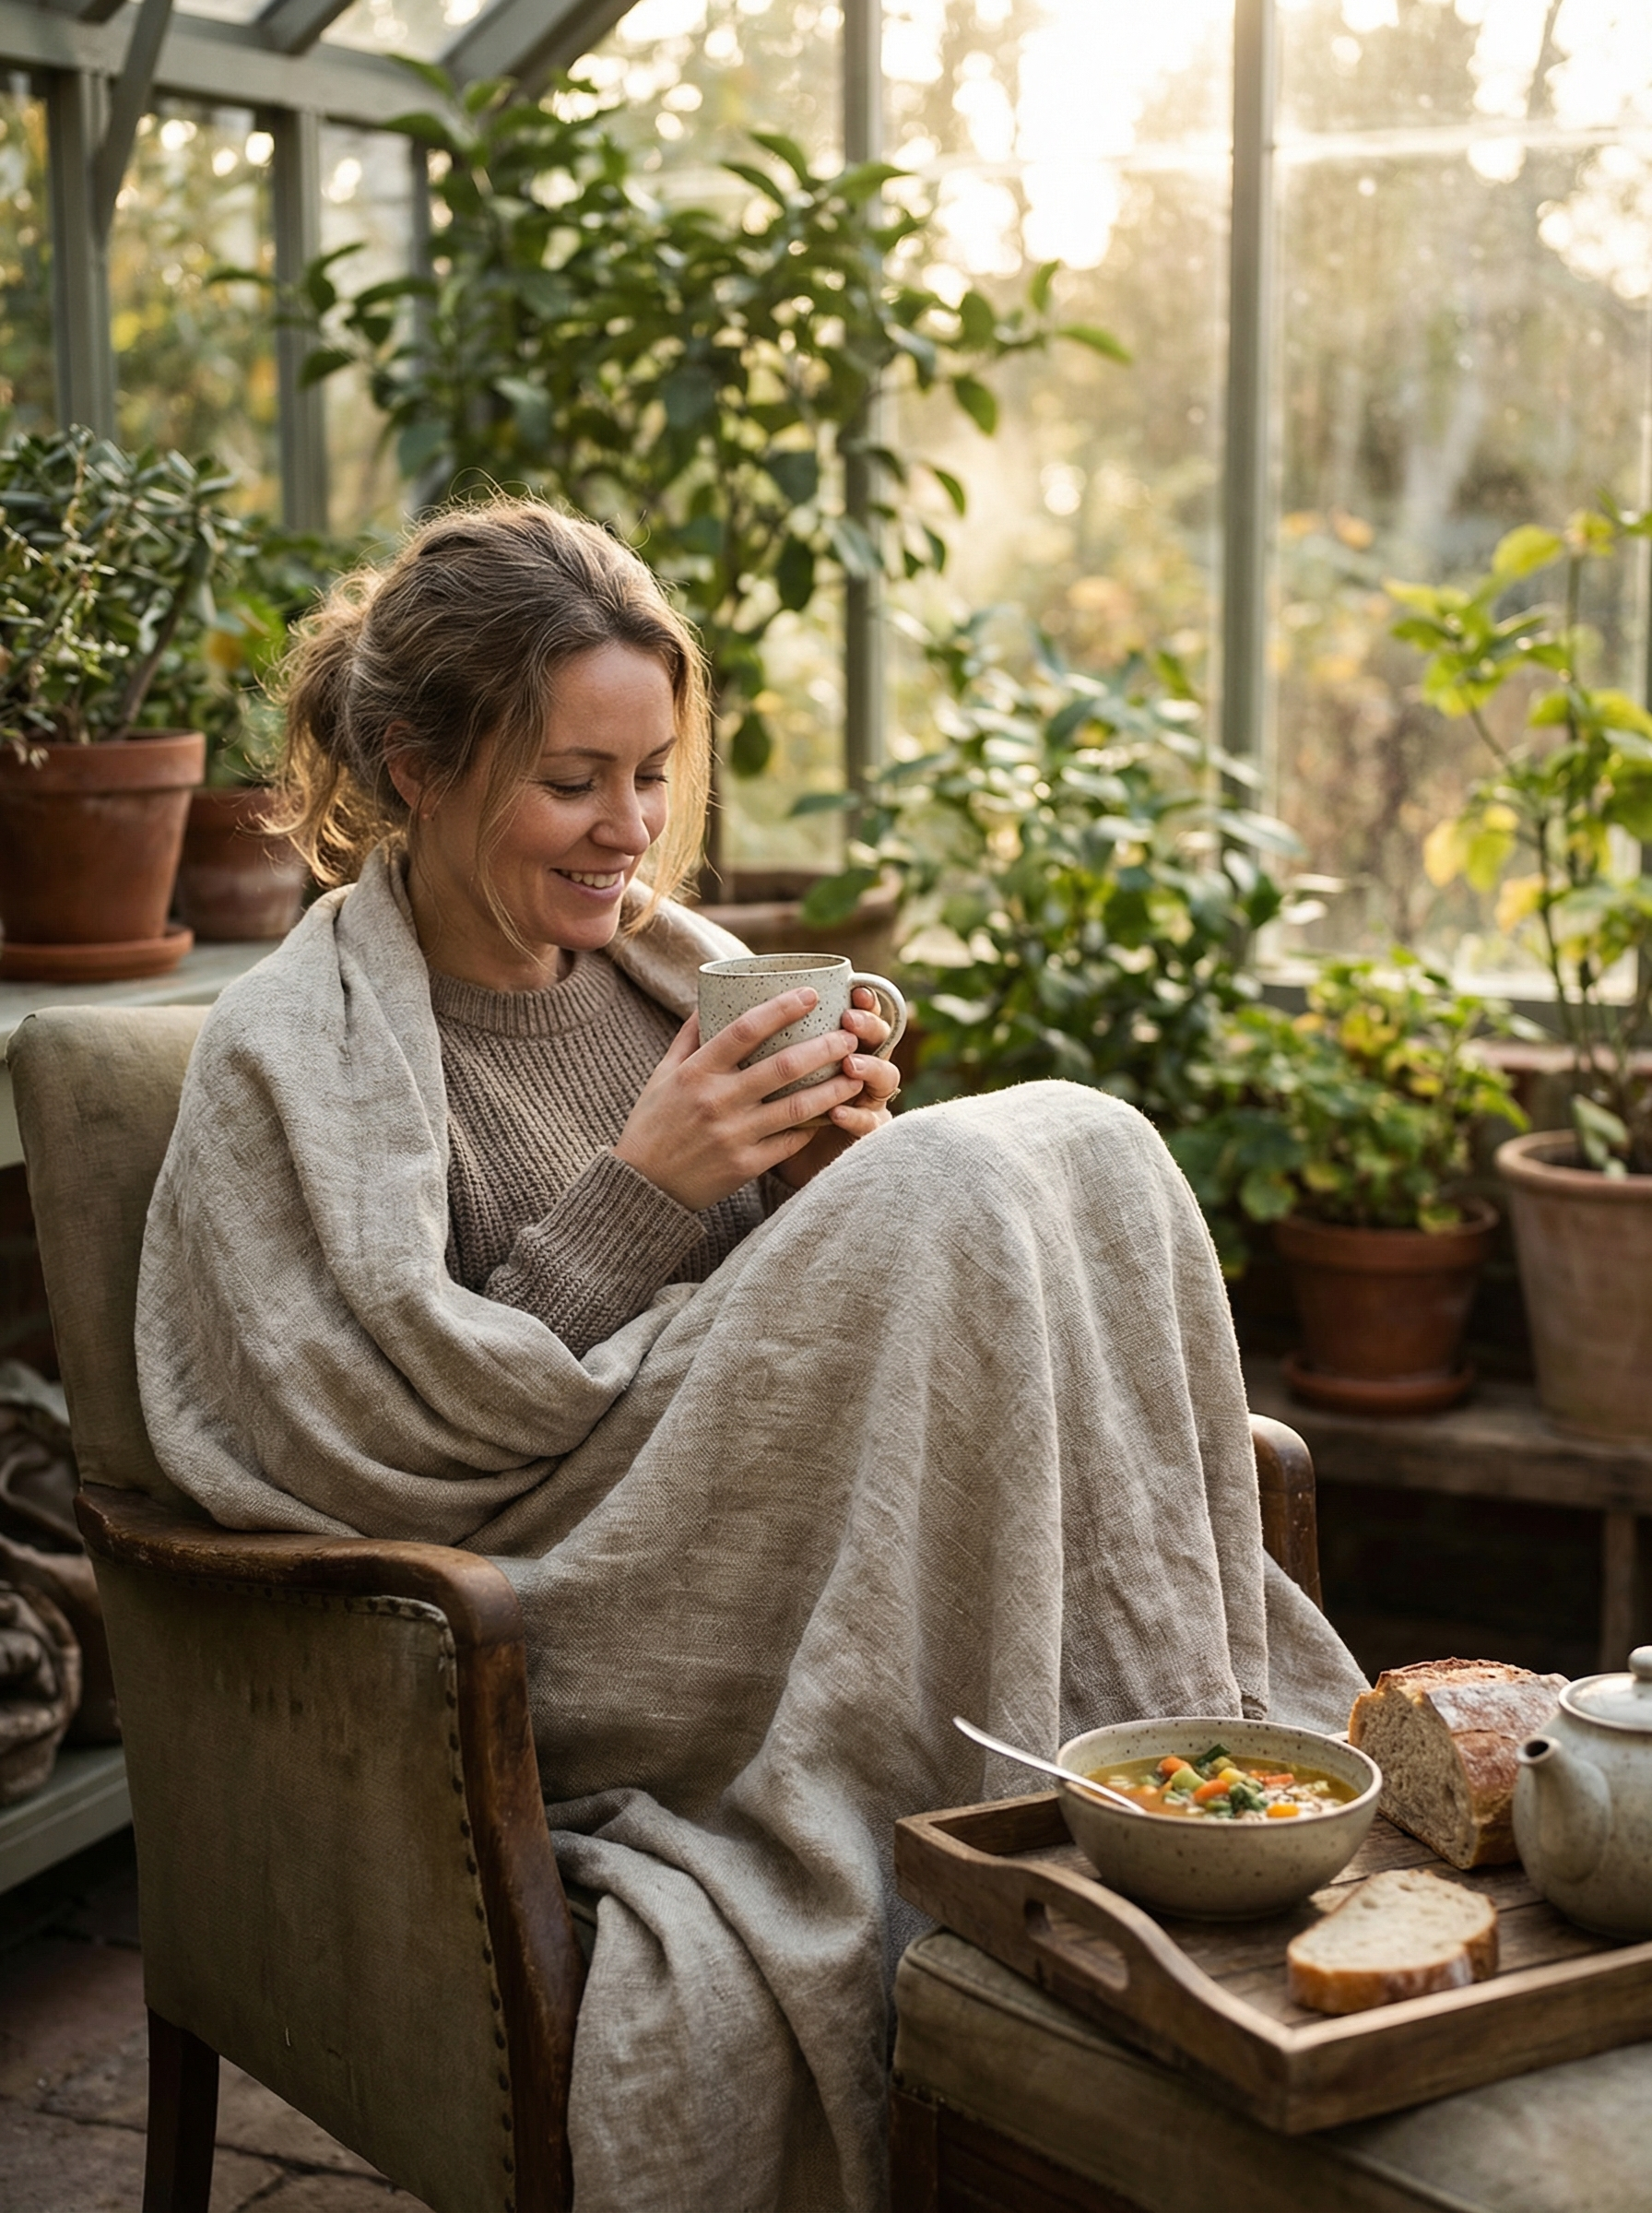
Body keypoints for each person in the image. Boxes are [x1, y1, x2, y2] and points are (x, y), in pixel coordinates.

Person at [137, 498, 1366, 2213]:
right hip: (539, 1593)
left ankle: (1151, 1793)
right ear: (416, 765)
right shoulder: (295, 1052)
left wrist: (821, 1175)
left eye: (651, 776)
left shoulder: (684, 978)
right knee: (958, 1175)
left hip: (767, 1536)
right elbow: (352, 1435)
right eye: (573, 780)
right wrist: (651, 1191)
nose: (627, 830)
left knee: (1082, 1137)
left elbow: (815, 1335)